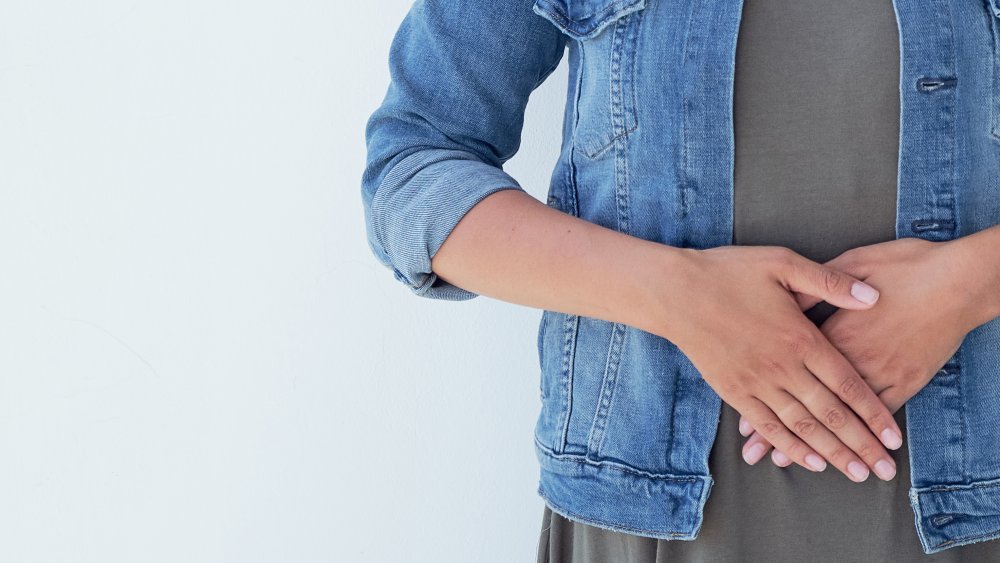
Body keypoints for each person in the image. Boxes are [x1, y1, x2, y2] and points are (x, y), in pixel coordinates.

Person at [361, 0, 1000, 559]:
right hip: (644, 514)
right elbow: (413, 172)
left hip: (975, 505)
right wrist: (678, 294)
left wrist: (971, 285)